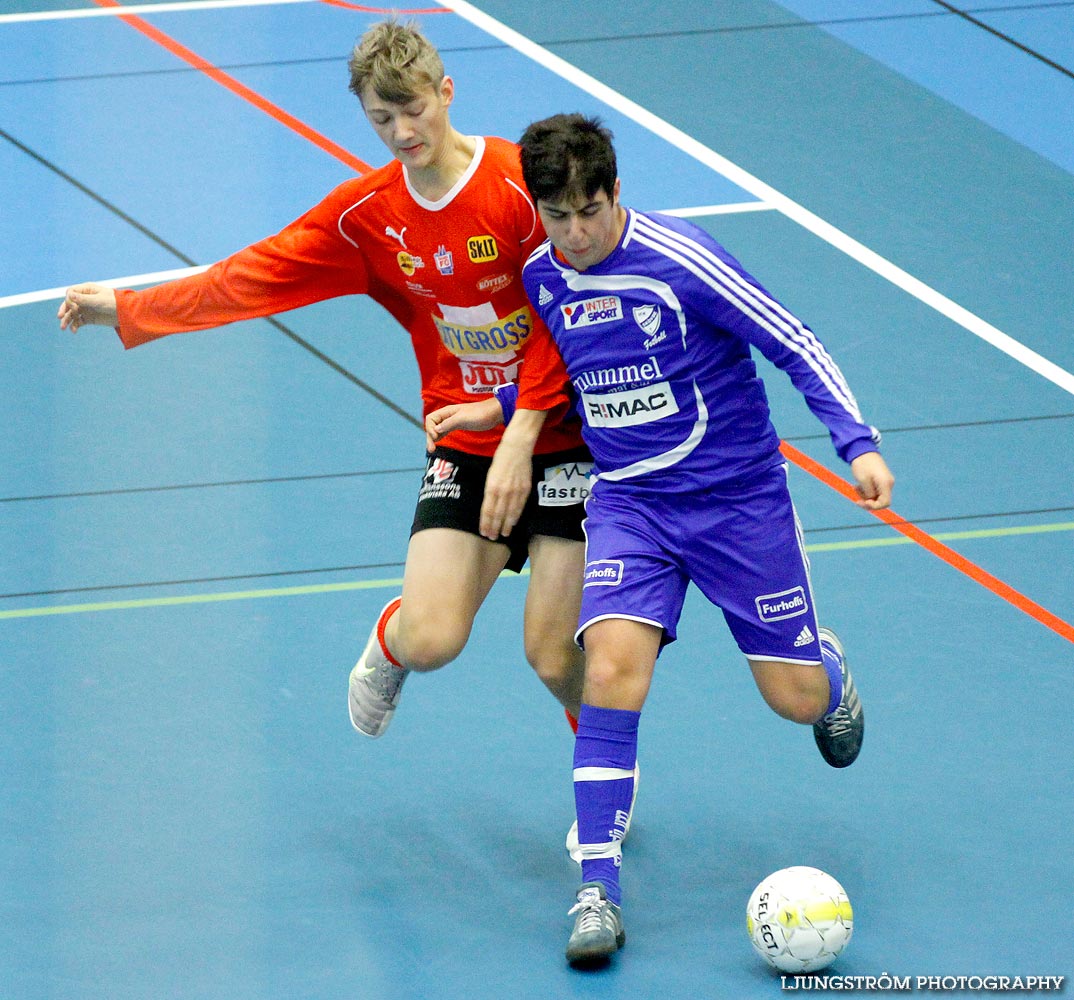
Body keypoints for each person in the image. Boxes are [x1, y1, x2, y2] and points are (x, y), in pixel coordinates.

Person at [55, 22, 615, 840]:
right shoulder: (369, 218)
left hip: (562, 439)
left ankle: (601, 793)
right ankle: (387, 646)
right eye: (382, 122)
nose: (403, 135)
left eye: (413, 111)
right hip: (465, 445)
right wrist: (132, 309)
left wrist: (518, 428)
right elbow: (255, 275)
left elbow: (575, 324)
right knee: (430, 640)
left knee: (556, 655)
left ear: (446, 90)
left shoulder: (518, 189)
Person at [425, 113, 895, 966]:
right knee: (608, 667)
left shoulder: (685, 260)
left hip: (737, 502)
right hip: (632, 507)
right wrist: (498, 415)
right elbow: (574, 367)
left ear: (615, 192)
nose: (575, 234)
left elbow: (793, 340)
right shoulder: (544, 274)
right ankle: (597, 887)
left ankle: (828, 671)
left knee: (793, 700)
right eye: (557, 217)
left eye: (589, 212)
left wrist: (855, 441)